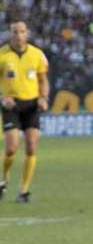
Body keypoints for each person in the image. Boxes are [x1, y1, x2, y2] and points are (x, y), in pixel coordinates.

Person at [0, 18, 49, 203]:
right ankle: (3, 179)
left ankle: (24, 191)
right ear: (10, 34)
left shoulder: (37, 55)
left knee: (31, 146)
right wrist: (2, 97)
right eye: (15, 32)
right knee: (11, 148)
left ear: (27, 33)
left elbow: (43, 80)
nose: (18, 35)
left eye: (21, 32)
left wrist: (44, 98)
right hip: (11, 105)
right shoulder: (2, 55)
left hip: (32, 104)